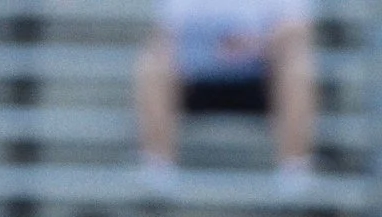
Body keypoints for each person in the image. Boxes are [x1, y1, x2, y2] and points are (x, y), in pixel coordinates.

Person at [135, 0, 317, 194]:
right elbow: (168, 32)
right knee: (153, 61)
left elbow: (298, 28)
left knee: (299, 64)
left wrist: (253, 45)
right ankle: (157, 169)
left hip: (261, 76)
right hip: (197, 77)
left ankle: (294, 171)